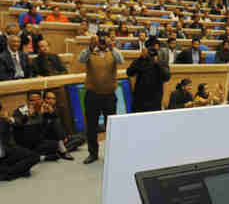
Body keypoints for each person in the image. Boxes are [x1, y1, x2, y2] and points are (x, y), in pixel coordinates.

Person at [78, 32, 124, 164]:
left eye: (105, 40)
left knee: (111, 126)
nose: (102, 43)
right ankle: (93, 153)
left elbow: (121, 61)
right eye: (101, 40)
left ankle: (112, 153)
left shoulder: (113, 52)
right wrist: (90, 47)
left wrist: (112, 47)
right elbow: (80, 60)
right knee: (91, 126)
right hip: (92, 95)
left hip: (109, 95)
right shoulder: (90, 51)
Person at [12, 91, 73, 161]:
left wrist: (50, 111)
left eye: (38, 99)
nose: (35, 102)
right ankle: (61, 150)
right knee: (56, 144)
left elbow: (54, 119)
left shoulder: (43, 108)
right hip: (26, 141)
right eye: (32, 100)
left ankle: (59, 147)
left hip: (40, 139)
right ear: (27, 101)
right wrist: (27, 116)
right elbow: (17, 124)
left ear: (41, 100)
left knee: (55, 143)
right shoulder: (21, 110)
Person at [0, 102, 40, 181]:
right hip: (5, 152)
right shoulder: (3, 121)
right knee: (31, 160)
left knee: (32, 159)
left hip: (7, 151)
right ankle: (9, 173)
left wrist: (26, 116)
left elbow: (18, 123)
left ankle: (8, 171)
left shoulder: (4, 120)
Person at [126, 46, 171, 112]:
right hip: (139, 99)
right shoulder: (140, 61)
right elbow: (129, 73)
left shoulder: (162, 63)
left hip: (154, 100)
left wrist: (157, 63)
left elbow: (167, 77)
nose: (152, 56)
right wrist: (140, 58)